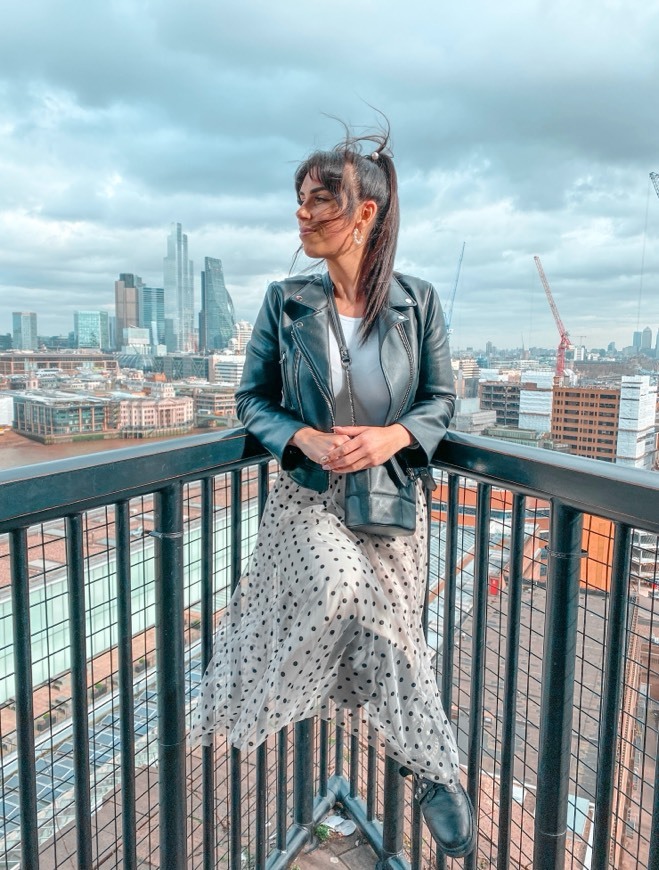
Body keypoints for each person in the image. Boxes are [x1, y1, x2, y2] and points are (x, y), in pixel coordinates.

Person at [191, 126, 475, 858]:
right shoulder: (284, 301)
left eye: (320, 201)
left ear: (365, 213)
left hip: (384, 498)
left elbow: (442, 400)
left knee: (396, 636)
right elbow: (249, 399)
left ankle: (431, 772)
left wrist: (392, 436)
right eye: (300, 201)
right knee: (340, 586)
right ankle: (384, 738)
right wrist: (300, 437)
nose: (303, 215)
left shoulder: (419, 302)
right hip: (308, 499)